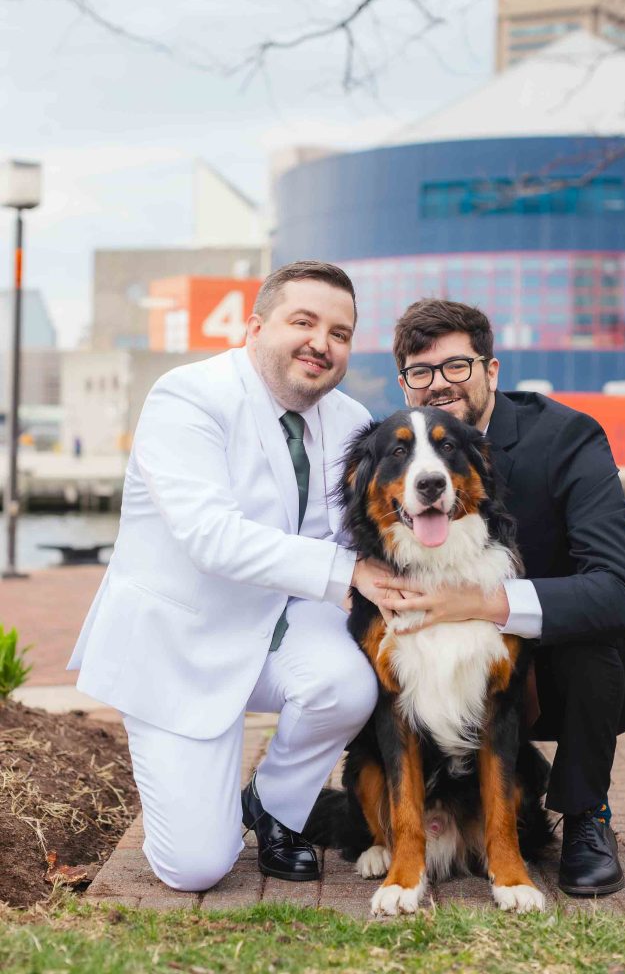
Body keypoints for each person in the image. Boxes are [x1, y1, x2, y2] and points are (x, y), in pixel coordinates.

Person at [67, 261, 390, 892]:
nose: (322, 343)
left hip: (281, 627)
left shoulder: (351, 420)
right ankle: (206, 803)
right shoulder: (186, 397)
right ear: (255, 326)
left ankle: (274, 804)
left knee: (349, 686)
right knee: (197, 869)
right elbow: (211, 538)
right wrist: (349, 570)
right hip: (180, 643)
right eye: (304, 321)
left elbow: (356, 534)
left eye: (341, 332)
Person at [377, 299, 625, 897]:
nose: (439, 384)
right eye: (420, 371)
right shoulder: (399, 449)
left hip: (565, 667)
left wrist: (483, 602)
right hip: (453, 666)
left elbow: (621, 590)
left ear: (492, 370)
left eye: (457, 366)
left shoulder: (567, 437)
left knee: (592, 634)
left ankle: (587, 813)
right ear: (405, 382)